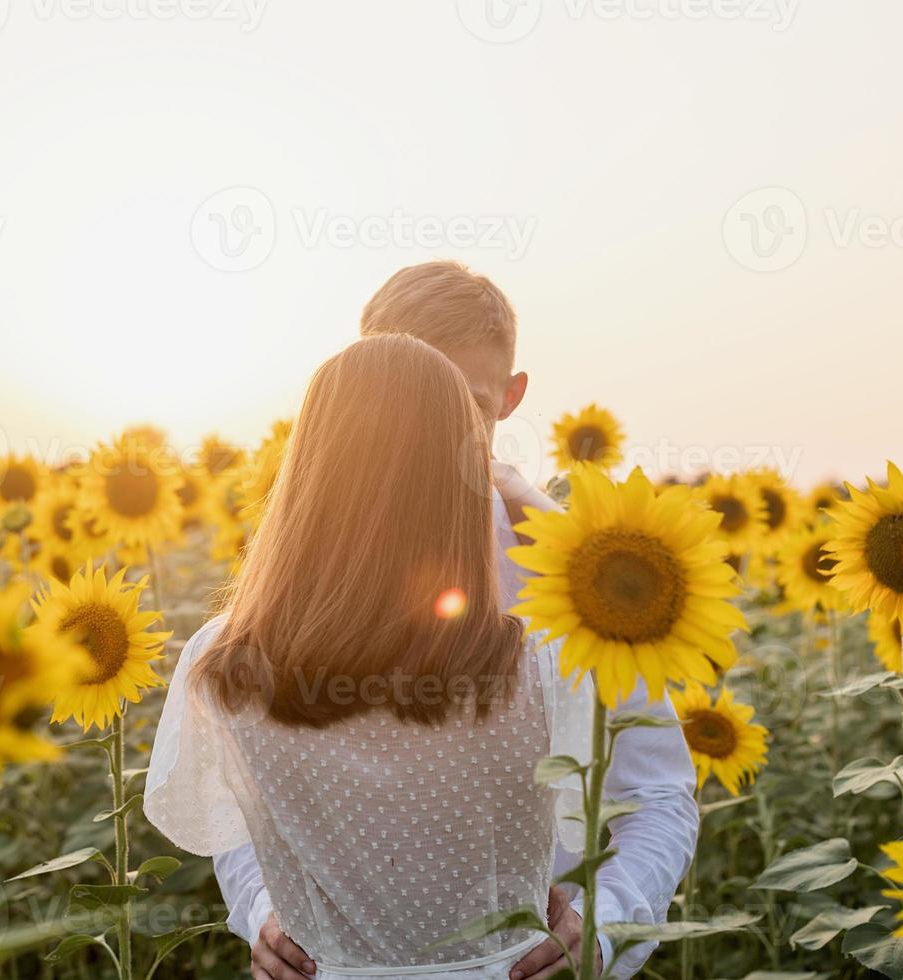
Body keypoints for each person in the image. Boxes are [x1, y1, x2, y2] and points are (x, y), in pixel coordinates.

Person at [212, 262, 697, 979]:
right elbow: (233, 780)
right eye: (402, 397)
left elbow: (654, 792)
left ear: (509, 397)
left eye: (462, 403)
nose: (427, 430)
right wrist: (264, 911)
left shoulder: (566, 574)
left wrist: (602, 931)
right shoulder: (300, 569)